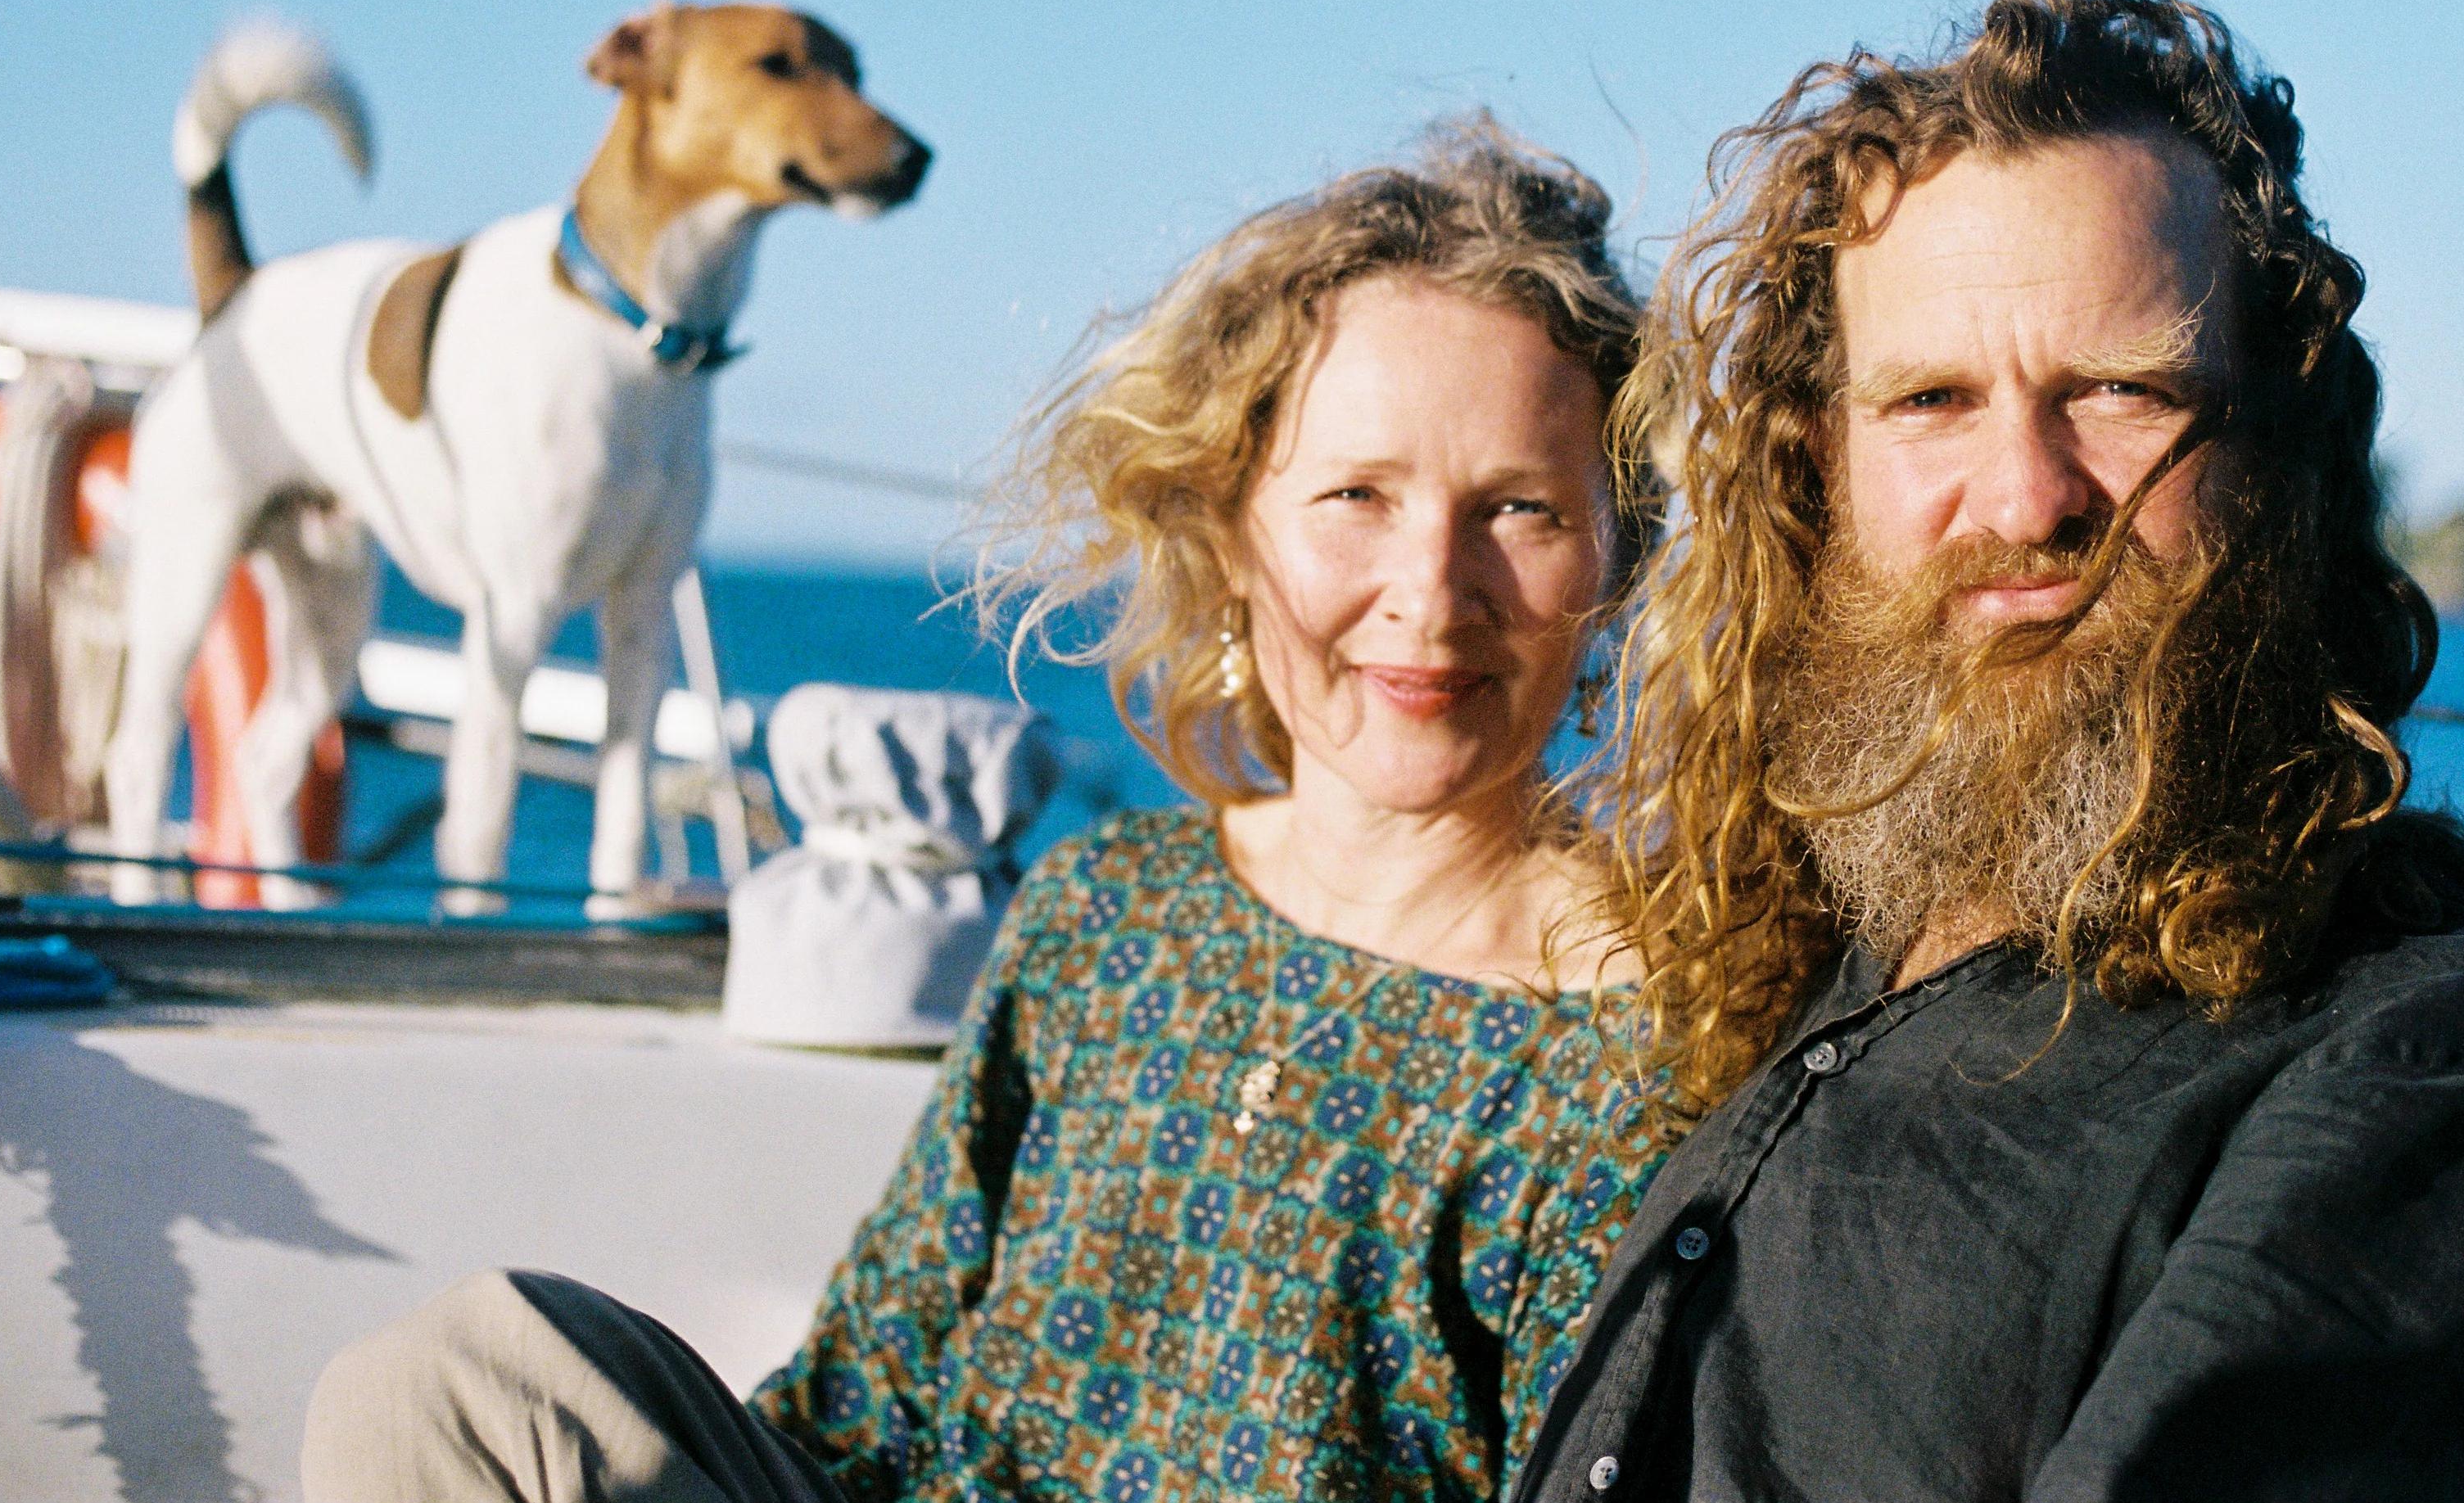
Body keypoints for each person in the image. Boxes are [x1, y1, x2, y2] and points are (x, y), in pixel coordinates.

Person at [304, 122, 1668, 1503]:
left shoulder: (1638, 1035)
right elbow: (865, 1398)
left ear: (1613, 554)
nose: (1430, 592)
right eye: (1355, 496)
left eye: (1519, 509)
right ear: (1232, 525)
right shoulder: (1108, 911)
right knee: (464, 1374)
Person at [1511, 0, 2464, 1502]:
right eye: (1928, 401)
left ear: (2278, 451)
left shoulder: (2428, 1074)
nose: (2029, 497)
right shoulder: (1824, 947)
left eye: (2121, 389)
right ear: (1818, 474)